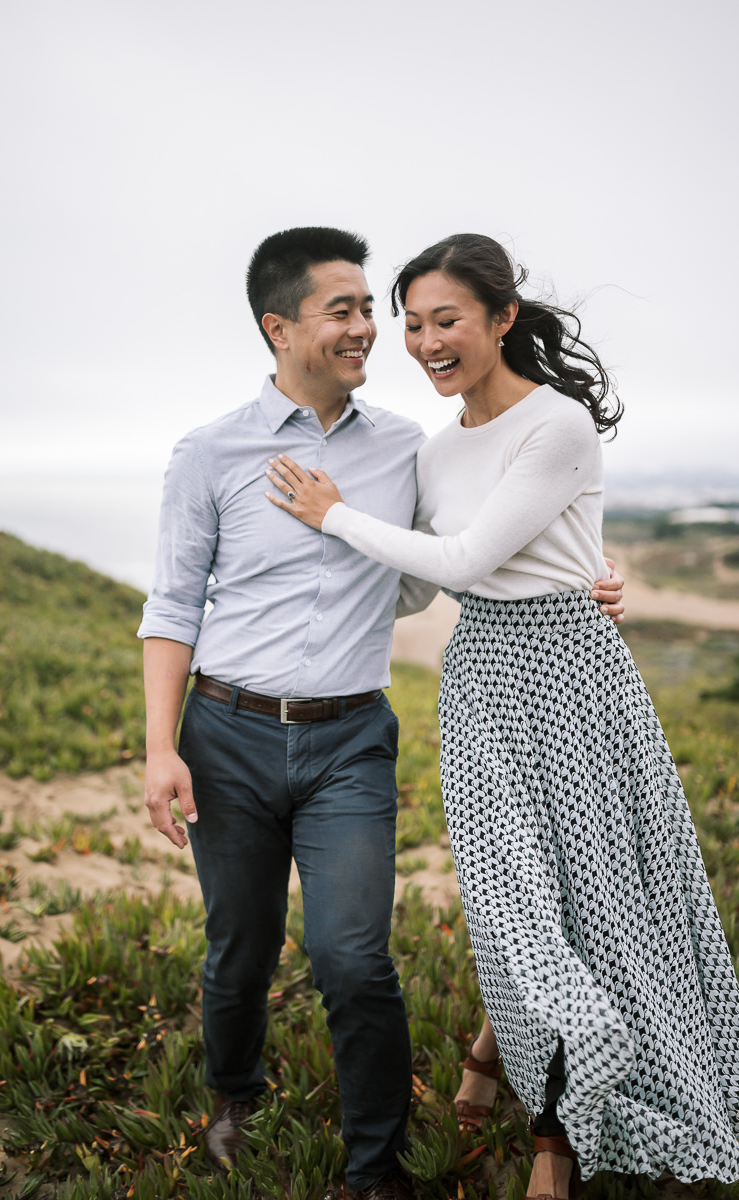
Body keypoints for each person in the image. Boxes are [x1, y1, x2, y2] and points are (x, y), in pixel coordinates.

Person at [138, 226, 625, 1198]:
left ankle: (373, 1167)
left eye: (376, 311)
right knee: (239, 943)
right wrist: (160, 746)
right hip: (224, 731)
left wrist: (593, 582)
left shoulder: (408, 447)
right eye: (347, 311)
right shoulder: (208, 453)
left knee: (352, 956)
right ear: (279, 328)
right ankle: (233, 1091)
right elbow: (172, 601)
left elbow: (473, 549)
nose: (371, 330)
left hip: (350, 739)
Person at [265, 233, 739, 1198]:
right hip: (481, 676)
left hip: (574, 676)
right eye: (412, 325)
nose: (427, 342)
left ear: (502, 319)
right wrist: (289, 597)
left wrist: (334, 515)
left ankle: (557, 1132)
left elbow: (471, 557)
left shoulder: (555, 426)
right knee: (512, 895)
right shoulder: (437, 455)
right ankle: (506, 1049)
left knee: (587, 894)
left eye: (448, 321)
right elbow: (416, 589)